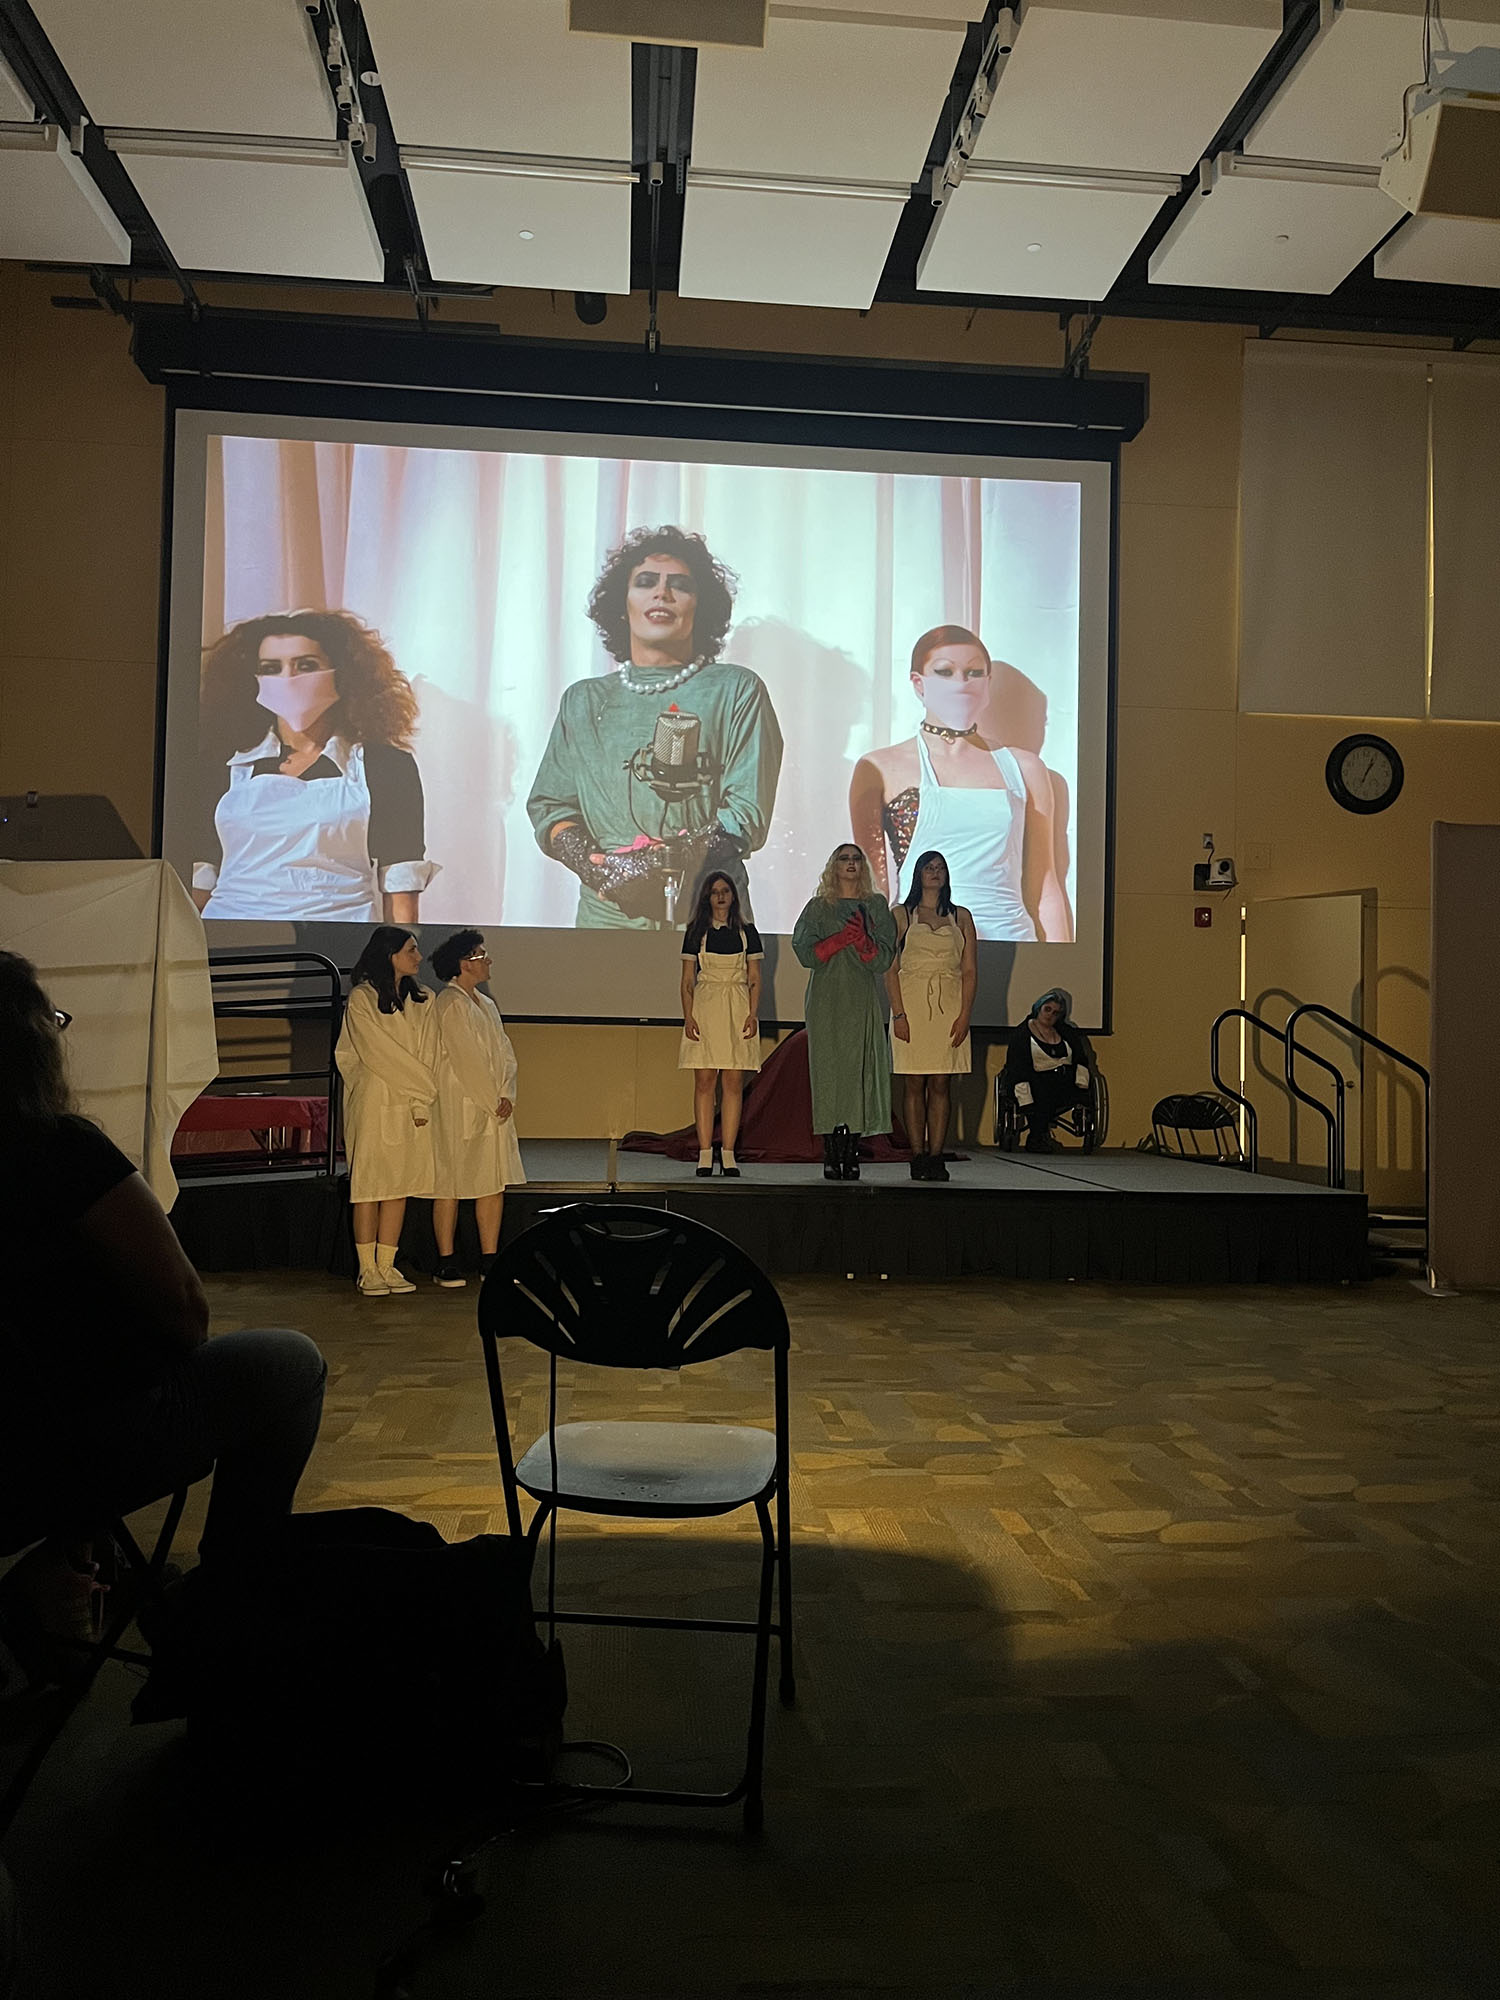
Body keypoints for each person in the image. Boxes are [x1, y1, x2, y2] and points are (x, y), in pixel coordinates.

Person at [0, 951, 326, 1672]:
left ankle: (76, 1563)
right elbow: (184, 1310)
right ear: (29, 1046)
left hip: (21, 1449)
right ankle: (230, 1592)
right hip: (76, 1442)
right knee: (290, 1364)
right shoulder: (59, 1153)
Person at [526, 526, 784, 930]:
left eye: (679, 585)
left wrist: (657, 863)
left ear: (701, 606)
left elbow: (745, 815)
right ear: (622, 603)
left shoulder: (736, 689)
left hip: (708, 914)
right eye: (645, 582)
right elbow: (551, 806)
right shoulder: (584, 700)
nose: (661, 594)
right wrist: (598, 869)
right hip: (605, 919)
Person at [195, 608, 438, 923]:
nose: (288, 679)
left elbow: (401, 889)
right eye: (271, 668)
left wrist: (398, 966)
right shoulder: (219, 765)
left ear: (341, 672)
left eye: (306, 665)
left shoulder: (387, 766)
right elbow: (199, 882)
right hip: (232, 938)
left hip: (338, 944)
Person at [849, 624, 1072, 943]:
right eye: (945, 671)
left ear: (987, 684)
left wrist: (1058, 959)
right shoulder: (879, 767)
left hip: (1009, 939)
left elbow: (1046, 886)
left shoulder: (1025, 768)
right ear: (918, 683)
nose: (961, 683)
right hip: (918, 944)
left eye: (973, 672)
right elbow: (872, 890)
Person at [335, 927, 438, 1296]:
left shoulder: (424, 999)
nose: (418, 957)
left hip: (411, 1104)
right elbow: (376, 1052)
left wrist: (420, 1097)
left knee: (399, 1184)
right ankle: (367, 1269)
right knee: (370, 1185)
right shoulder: (362, 999)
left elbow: (429, 1051)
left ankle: (387, 1264)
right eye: (411, 950)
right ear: (389, 954)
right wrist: (420, 1084)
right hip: (374, 1099)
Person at [791, 844, 897, 1181]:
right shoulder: (818, 907)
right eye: (844, 858)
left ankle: (851, 1149)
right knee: (827, 1071)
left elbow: (883, 959)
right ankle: (830, 1149)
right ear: (833, 866)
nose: (850, 864)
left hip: (859, 997)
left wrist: (864, 941)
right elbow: (806, 953)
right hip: (825, 999)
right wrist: (839, 940)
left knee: (856, 1071)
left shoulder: (876, 906)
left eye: (855, 859)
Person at [428, 930, 525, 1289]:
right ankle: (446, 1260)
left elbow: (505, 1053)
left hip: (492, 1106)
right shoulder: (450, 1003)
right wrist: (489, 1098)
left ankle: (489, 1257)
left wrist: (506, 1094)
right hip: (461, 1103)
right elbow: (464, 1059)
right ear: (464, 963)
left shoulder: (485, 1004)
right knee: (450, 1180)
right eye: (482, 955)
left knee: (491, 1180)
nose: (488, 961)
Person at [888, 850, 977, 1183]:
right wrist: (898, 1013)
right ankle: (917, 1155)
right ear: (918, 874)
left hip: (950, 1003)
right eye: (929, 868)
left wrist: (965, 1013)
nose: (935, 873)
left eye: (940, 868)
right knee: (914, 1081)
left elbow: (969, 971)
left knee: (941, 1082)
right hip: (911, 1002)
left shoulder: (961, 917)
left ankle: (937, 1155)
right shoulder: (901, 914)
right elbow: (890, 967)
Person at [679, 871, 764, 1179]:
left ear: (733, 895)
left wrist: (752, 1014)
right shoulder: (695, 932)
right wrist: (688, 1016)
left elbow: (754, 978)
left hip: (737, 1007)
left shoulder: (747, 932)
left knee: (731, 1084)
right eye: (714, 891)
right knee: (704, 1082)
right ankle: (705, 1153)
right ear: (707, 897)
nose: (720, 895)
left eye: (725, 890)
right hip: (705, 1007)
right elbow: (687, 981)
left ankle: (727, 1153)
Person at [1001, 988, 1093, 1152]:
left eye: (1056, 1012)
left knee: (1061, 1087)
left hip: (1064, 1080)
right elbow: (1017, 1067)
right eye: (1047, 1009)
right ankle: (1037, 1136)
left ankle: (1038, 1136)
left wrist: (1082, 1084)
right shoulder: (1022, 1035)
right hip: (1031, 1081)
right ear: (1038, 1008)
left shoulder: (1067, 1033)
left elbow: (1080, 1059)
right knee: (1043, 1089)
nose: (1050, 1015)